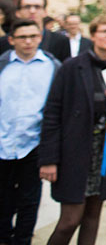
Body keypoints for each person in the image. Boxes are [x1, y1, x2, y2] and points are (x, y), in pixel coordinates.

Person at [39, 14, 106, 245]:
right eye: (105, 31)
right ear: (93, 35)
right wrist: (48, 159)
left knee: (93, 216)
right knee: (69, 220)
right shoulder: (71, 67)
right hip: (75, 152)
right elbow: (52, 113)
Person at [0, 19, 60, 245]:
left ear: (40, 37)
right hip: (3, 142)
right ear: (11, 40)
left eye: (33, 36)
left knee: (29, 199)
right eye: (22, 37)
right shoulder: (3, 65)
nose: (28, 42)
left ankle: (23, 240)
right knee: (3, 198)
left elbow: (56, 110)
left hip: (33, 144)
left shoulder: (52, 67)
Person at [0, 0, 70, 61]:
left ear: (45, 12)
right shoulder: (4, 42)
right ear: (18, 13)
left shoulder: (60, 41)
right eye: (27, 7)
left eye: (37, 7)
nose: (32, 11)